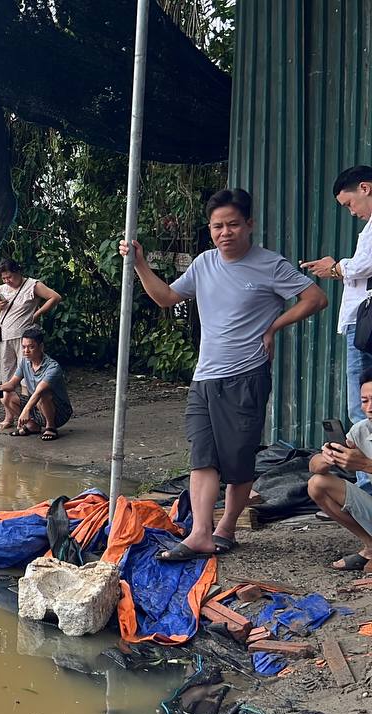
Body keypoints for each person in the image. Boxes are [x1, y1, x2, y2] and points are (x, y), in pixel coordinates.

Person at [122, 188, 327, 561]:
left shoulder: (270, 264)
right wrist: (139, 264)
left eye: (233, 224)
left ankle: (226, 528)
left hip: (246, 375)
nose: (225, 232)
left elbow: (315, 298)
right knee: (202, 456)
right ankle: (200, 533)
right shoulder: (203, 264)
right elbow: (167, 298)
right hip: (204, 377)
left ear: (249, 224)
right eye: (218, 226)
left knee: (237, 460)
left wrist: (274, 327)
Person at [301, 165, 372, 488]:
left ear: (365, 188)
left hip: (364, 324)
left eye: (349, 204)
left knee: (360, 407)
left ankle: (365, 483)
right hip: (360, 322)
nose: (351, 211)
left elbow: (362, 266)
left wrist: (337, 266)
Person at [307, 369, 372, 571]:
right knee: (317, 484)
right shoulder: (362, 429)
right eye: (364, 401)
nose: (369, 408)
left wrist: (364, 464)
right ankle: (370, 547)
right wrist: (327, 457)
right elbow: (313, 467)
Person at [0, 259, 62, 428]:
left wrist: (37, 314)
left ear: (18, 272)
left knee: (26, 377)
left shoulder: (32, 285)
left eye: (10, 277)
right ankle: (9, 417)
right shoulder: (1, 290)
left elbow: (55, 297)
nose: (7, 281)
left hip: (25, 338)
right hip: (6, 337)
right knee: (7, 376)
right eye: (4, 278)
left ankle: (29, 416)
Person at [0, 328, 72, 439]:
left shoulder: (53, 367)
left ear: (41, 347)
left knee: (43, 394)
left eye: (31, 347)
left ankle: (50, 427)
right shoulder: (25, 362)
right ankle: (32, 425)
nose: (26, 351)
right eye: (23, 347)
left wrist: (26, 411)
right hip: (36, 404)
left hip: (59, 411)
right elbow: (12, 384)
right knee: (5, 395)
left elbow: (40, 391)